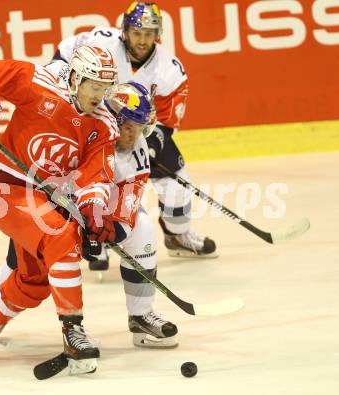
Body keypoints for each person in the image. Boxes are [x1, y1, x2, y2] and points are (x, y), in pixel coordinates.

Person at [0, 45, 120, 374]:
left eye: (105, 88)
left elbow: (95, 176)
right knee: (61, 237)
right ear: (75, 78)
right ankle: (73, 332)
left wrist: (95, 212)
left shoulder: (103, 124)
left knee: (34, 281)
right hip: (6, 190)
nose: (100, 96)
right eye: (95, 86)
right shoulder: (40, 81)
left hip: (45, 202)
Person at [0, 82, 178, 348]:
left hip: (97, 218)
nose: (133, 135)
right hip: (50, 211)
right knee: (21, 264)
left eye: (140, 128)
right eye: (128, 126)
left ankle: (140, 315)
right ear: (114, 119)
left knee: (142, 227)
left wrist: (108, 232)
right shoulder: (82, 128)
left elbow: (129, 197)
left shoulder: (136, 149)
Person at [53, 1, 217, 270]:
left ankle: (177, 235)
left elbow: (167, 119)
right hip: (94, 123)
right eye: (137, 32)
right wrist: (60, 79)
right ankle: (97, 237)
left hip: (138, 131)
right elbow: (65, 53)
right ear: (125, 30)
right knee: (95, 177)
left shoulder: (170, 69)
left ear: (157, 35)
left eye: (149, 34)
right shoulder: (102, 42)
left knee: (177, 183)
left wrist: (155, 140)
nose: (142, 40)